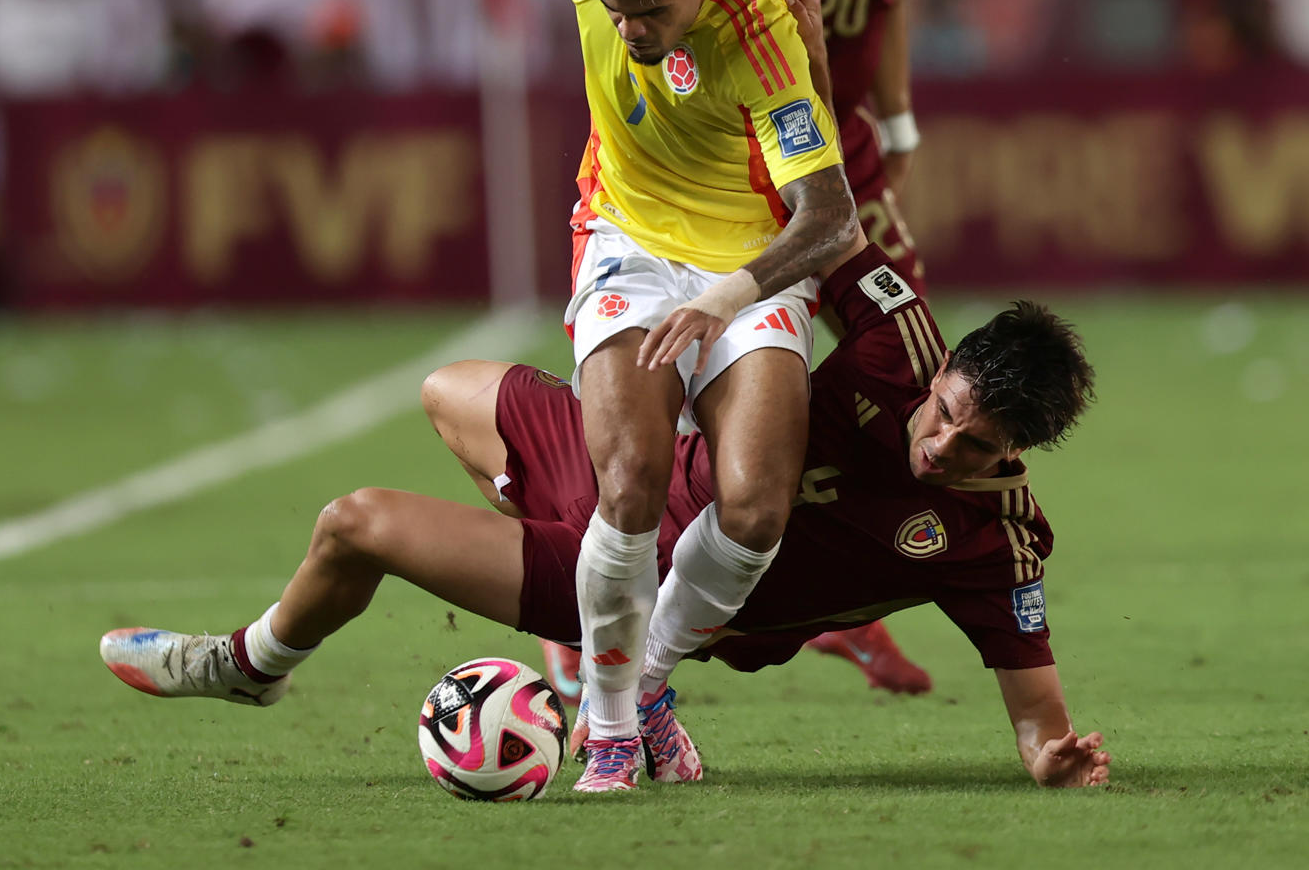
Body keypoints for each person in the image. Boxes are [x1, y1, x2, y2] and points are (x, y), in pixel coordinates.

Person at [153, 0, 859, 792]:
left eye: (650, 8)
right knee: (628, 479)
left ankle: (643, 678)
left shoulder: (762, 22)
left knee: (754, 509)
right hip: (627, 243)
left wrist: (729, 294)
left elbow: (830, 219)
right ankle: (612, 730)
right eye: (615, 6)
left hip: (751, 261)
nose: (630, 27)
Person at [99, 239, 1109, 790]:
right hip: (640, 465)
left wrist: (1052, 756)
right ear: (946, 372)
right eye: (945, 413)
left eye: (976, 446)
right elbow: (817, 219)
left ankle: (248, 664)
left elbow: (1036, 719)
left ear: (1020, 452)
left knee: (353, 521)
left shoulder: (1000, 542)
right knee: (449, 390)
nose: (940, 446)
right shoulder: (901, 335)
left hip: (654, 572)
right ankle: (587, 644)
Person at [705, 0, 952, 692]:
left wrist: (893, 112)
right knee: (726, 396)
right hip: (740, 173)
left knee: (910, 364)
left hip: (847, 165)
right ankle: (647, 599)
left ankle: (844, 597)